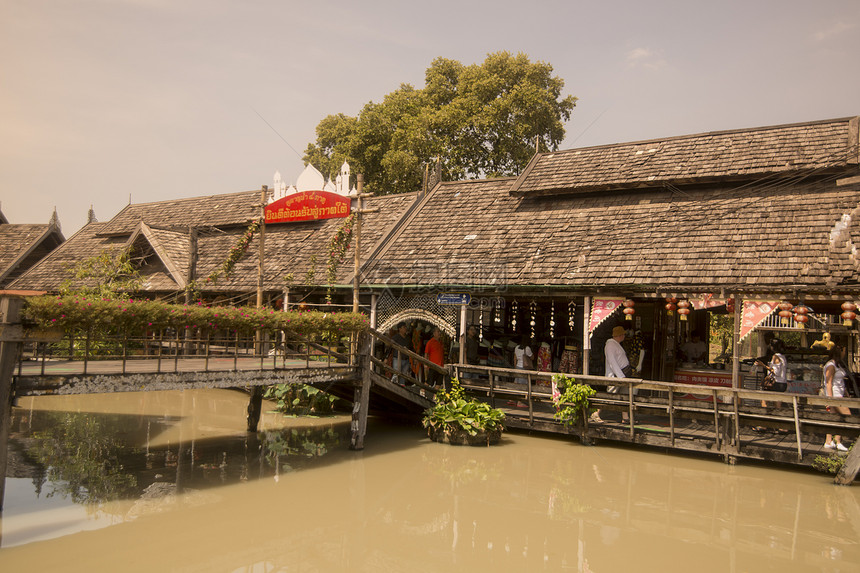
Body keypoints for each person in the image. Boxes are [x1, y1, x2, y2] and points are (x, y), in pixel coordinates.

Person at [591, 325, 632, 423]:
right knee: (610, 396)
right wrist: (620, 376)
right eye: (623, 335)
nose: (624, 336)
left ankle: (625, 417)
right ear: (620, 335)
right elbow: (612, 362)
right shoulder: (610, 345)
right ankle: (596, 413)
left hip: (622, 374)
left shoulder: (616, 344)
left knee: (624, 396)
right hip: (616, 375)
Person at [823, 344, 851, 451]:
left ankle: (829, 441)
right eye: (844, 351)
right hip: (834, 395)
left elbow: (839, 382)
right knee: (847, 416)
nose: (845, 353)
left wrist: (846, 393)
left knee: (833, 418)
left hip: (839, 393)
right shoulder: (831, 365)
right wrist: (830, 399)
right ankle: (838, 440)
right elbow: (829, 383)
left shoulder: (837, 364)